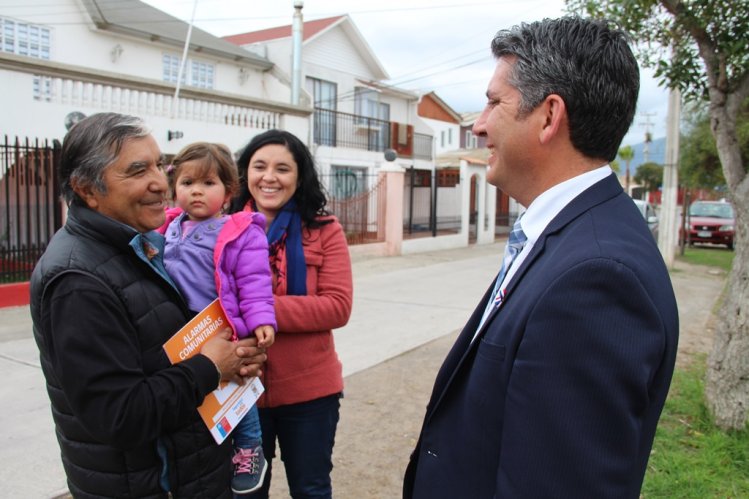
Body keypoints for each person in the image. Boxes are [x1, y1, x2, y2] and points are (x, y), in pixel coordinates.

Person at [403, 17, 679, 499]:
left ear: (550, 116)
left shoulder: (596, 279)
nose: (478, 123)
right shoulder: (568, 235)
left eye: (493, 102)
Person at [29, 112, 266, 498]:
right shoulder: (77, 282)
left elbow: (166, 349)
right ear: (87, 189)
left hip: (193, 474)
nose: (161, 182)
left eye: (159, 164)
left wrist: (232, 359)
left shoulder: (143, 245)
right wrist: (210, 367)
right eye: (138, 170)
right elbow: (120, 414)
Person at [228, 129, 353, 498]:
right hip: (241, 393)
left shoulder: (325, 231)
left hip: (310, 394)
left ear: (299, 177)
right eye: (259, 166)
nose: (269, 177)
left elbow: (337, 305)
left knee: (311, 489)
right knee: (245, 493)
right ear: (244, 173)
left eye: (282, 168)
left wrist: (257, 308)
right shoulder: (224, 230)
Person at [160, 142, 276, 495]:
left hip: (218, 324)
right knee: (196, 392)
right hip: (180, 328)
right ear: (174, 187)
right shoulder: (166, 227)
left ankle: (249, 446)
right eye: (187, 182)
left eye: (208, 183)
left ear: (228, 192)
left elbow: (254, 281)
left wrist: (261, 319)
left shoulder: (240, 232)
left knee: (234, 386)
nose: (196, 190)